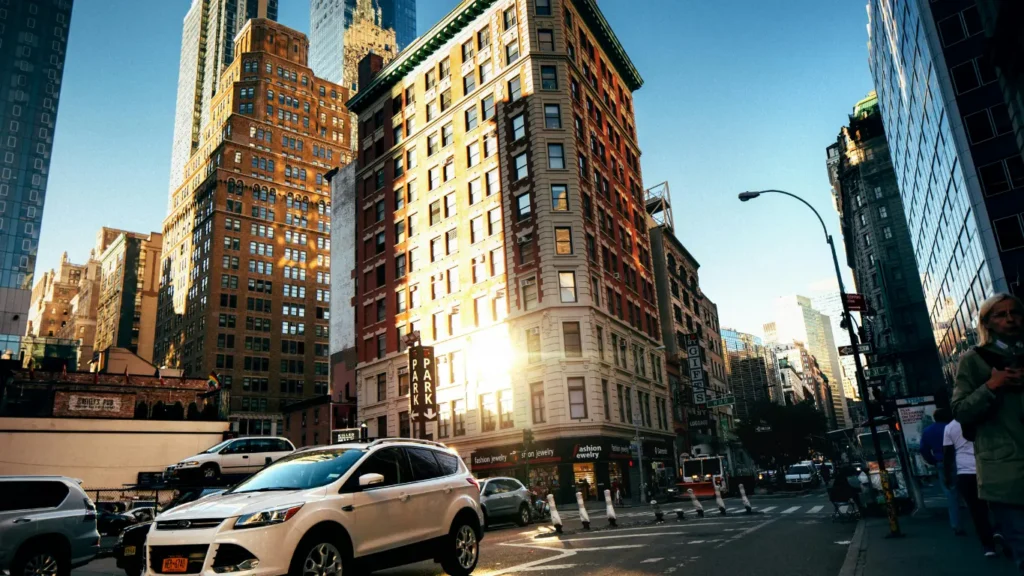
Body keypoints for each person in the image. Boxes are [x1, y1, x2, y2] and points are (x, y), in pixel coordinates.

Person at [952, 293, 1024, 572]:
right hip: (1004, 471)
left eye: (1015, 312)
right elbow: (960, 410)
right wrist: (992, 385)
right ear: (987, 323)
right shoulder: (974, 359)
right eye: (1000, 315)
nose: (1009, 319)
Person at [944, 418, 996, 556]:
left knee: (977, 510)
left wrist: (947, 476)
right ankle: (1000, 531)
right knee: (997, 504)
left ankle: (988, 545)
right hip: (988, 467)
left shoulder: (950, 427)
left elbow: (948, 454)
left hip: (965, 471)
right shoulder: (983, 420)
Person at [920, 407, 962, 534]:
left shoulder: (928, 431)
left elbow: (923, 449)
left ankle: (956, 524)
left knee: (951, 494)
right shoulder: (954, 427)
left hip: (941, 462)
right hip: (960, 460)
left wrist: (933, 460)